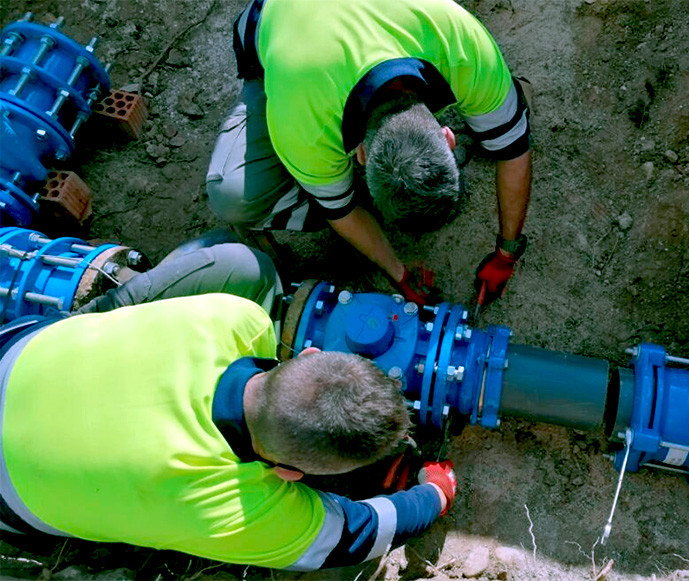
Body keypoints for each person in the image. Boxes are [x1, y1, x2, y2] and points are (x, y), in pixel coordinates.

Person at [0, 244, 457, 570]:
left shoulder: (234, 318)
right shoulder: (237, 510)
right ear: (290, 473)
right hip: (8, 499)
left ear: (310, 355)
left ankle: (97, 308)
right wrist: (434, 495)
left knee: (242, 263)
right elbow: (354, 535)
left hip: (17, 350)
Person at [207, 0, 532, 306]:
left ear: (448, 137)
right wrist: (398, 273)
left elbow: (515, 150)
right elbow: (342, 211)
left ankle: (505, 110)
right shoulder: (305, 127)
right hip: (279, 21)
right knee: (233, 196)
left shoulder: (462, 48)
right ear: (359, 156)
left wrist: (507, 253)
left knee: (505, 116)